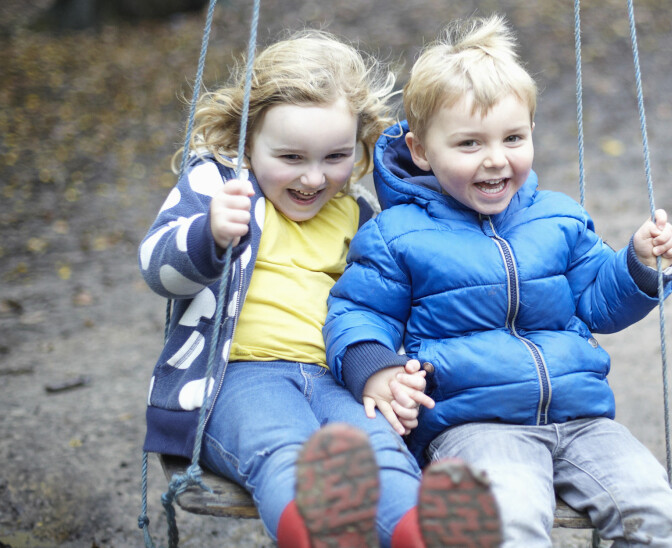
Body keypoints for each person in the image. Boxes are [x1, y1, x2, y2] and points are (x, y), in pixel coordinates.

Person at [324, 15, 672, 547]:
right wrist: (374, 369)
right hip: (476, 427)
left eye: (512, 137)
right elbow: (357, 311)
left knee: (653, 510)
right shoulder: (396, 235)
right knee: (509, 525)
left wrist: (638, 266)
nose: (496, 159)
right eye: (469, 144)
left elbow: (597, 303)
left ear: (531, 134)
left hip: (583, 418)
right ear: (422, 151)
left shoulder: (558, 218)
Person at [138, 29, 500, 548]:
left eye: (336, 157)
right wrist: (209, 234)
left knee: (380, 449)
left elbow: (381, 305)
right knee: (281, 447)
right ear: (246, 141)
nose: (313, 178)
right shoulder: (221, 189)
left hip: (335, 378)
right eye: (290, 158)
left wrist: (388, 371)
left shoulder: (357, 214)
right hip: (238, 379)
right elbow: (157, 269)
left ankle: (417, 532)